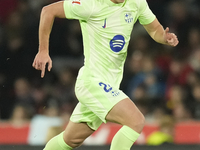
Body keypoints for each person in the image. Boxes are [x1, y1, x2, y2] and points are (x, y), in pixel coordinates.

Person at [32, 0, 179, 149]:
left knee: (70, 140)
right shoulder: (90, 4)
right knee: (136, 121)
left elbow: (154, 30)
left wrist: (163, 37)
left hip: (109, 86)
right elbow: (48, 11)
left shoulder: (136, 3)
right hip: (92, 83)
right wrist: (43, 50)